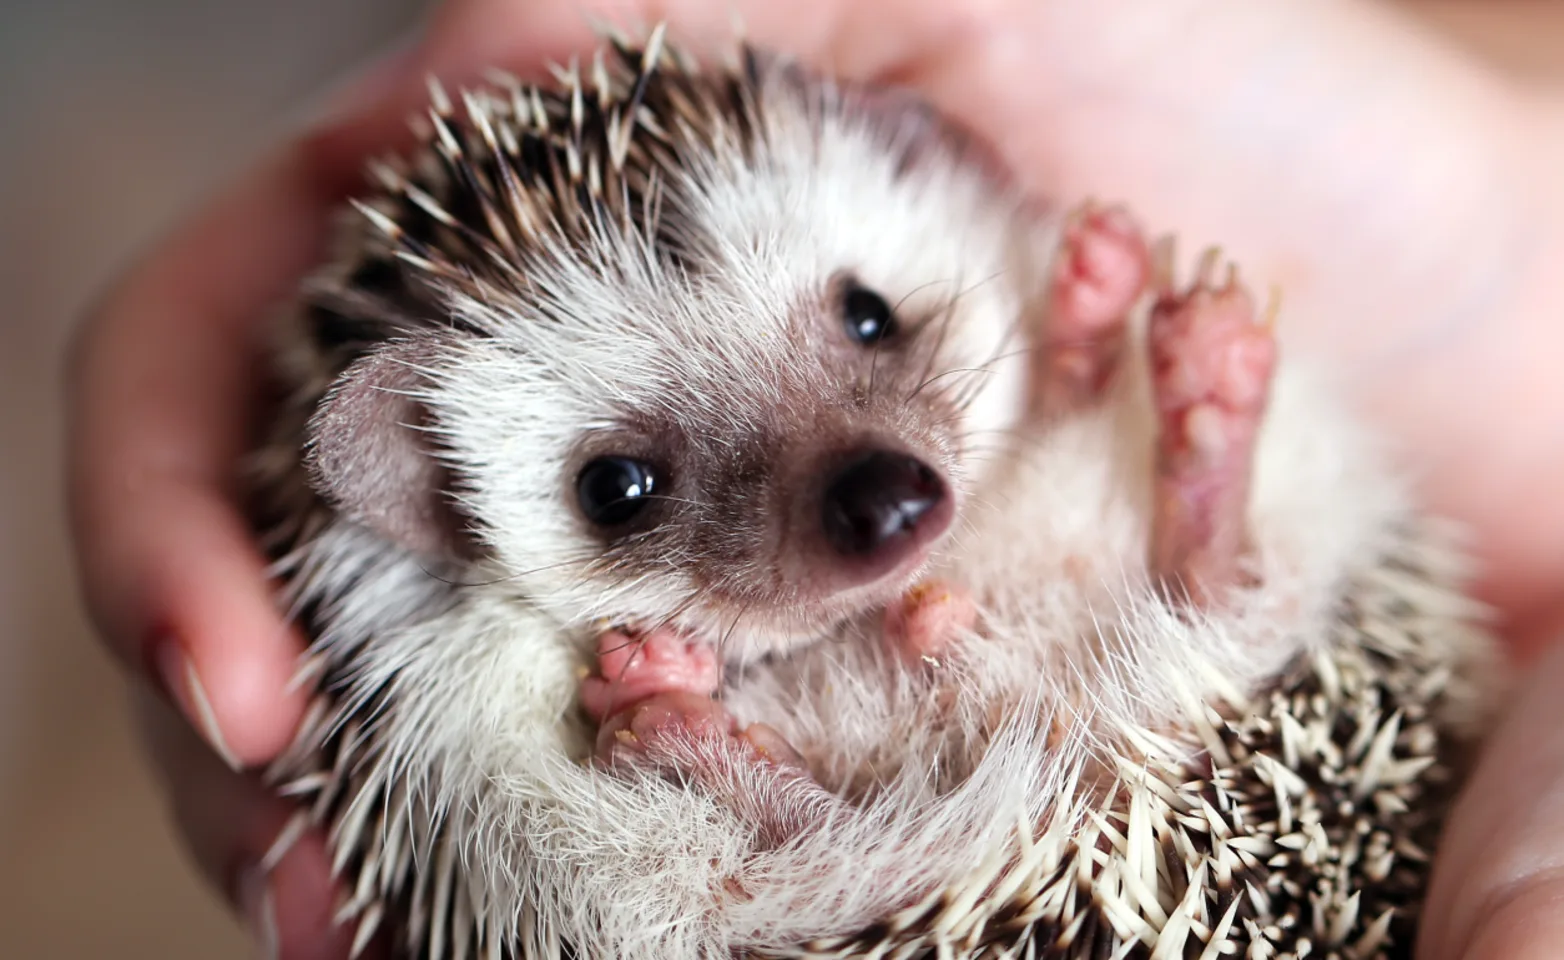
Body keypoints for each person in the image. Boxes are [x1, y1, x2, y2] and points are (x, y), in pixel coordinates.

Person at [63, 1, 1564, 957]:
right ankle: (1181, 520)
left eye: (864, 321)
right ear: (429, 500)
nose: (869, 485)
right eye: (628, 488)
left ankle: (770, 777)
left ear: (912, 153)